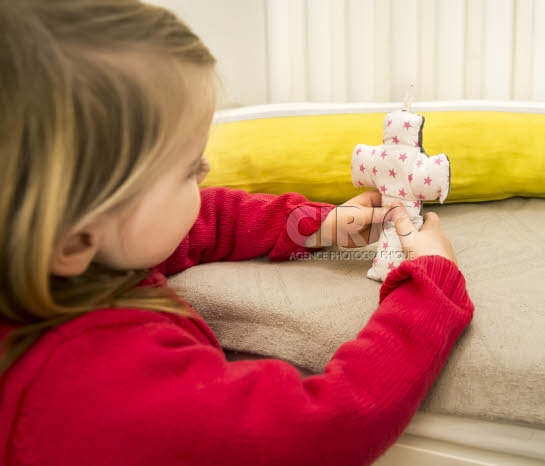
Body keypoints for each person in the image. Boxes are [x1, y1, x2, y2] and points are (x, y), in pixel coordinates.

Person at [0, 1, 474, 465]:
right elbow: (324, 428)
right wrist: (430, 290)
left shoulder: (60, 252)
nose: (206, 177)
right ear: (73, 239)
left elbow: (206, 220)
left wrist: (314, 227)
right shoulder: (99, 388)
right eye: (189, 170)